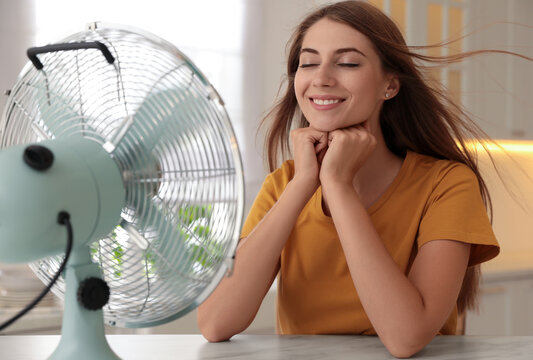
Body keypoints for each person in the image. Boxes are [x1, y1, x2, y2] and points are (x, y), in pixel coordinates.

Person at [197, 1, 502, 357]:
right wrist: (303, 184)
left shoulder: (446, 184)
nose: (321, 77)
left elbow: (405, 339)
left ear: (389, 85)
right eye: (308, 63)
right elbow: (216, 323)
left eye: (347, 63)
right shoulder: (285, 185)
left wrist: (339, 186)